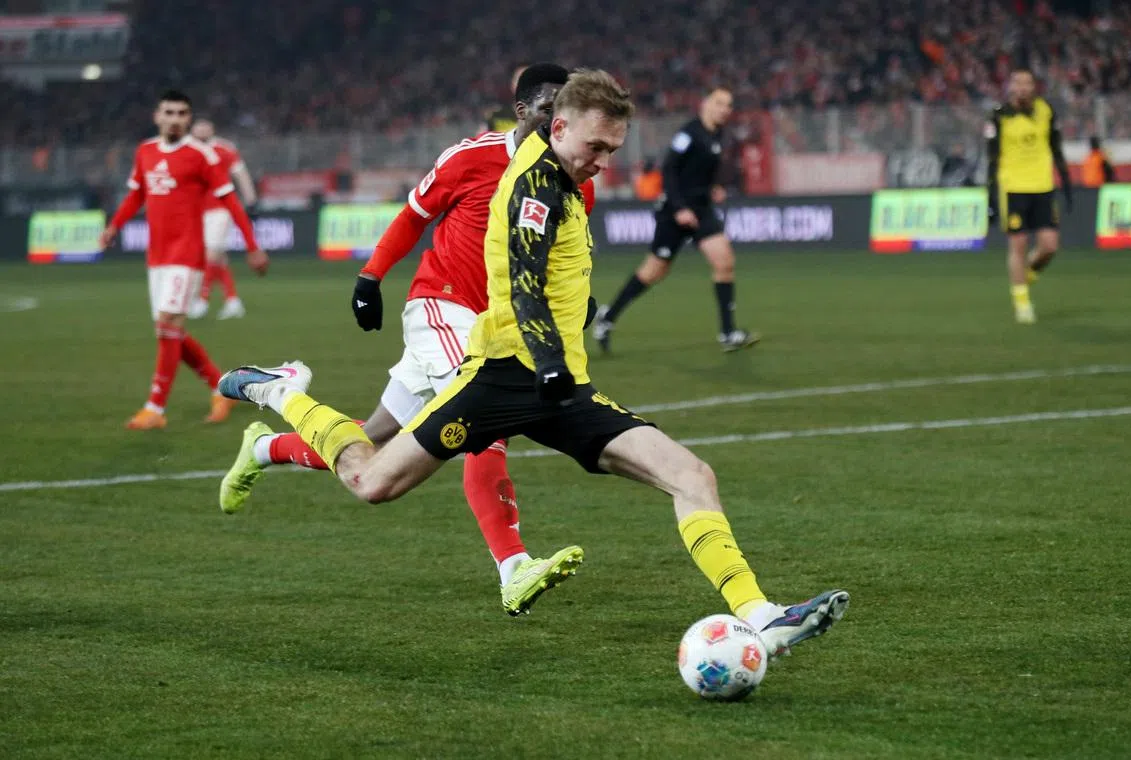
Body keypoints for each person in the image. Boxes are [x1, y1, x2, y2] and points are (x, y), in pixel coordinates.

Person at [216, 69, 848, 657]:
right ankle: (281, 393)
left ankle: (761, 615)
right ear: (558, 127)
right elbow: (521, 281)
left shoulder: (572, 183)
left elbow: (552, 271)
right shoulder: (534, 186)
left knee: (691, 474)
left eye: (613, 150)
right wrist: (547, 358)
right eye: (596, 147)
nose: (603, 162)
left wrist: (573, 322)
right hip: (500, 378)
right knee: (371, 481)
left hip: (562, 387)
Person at [219, 64, 594, 617]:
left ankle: (265, 445)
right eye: (547, 110)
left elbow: (560, 257)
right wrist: (370, 278)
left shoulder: (576, 180)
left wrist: (580, 302)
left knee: (372, 443)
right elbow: (414, 216)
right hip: (444, 305)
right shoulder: (470, 158)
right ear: (521, 112)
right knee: (486, 424)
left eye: (565, 114)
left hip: (494, 325)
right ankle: (514, 567)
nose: (556, 123)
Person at [99, 89, 267, 430]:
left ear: (189, 119)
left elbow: (230, 201)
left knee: (167, 325)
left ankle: (155, 408)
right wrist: (114, 226)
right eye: (169, 112)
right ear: (157, 116)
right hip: (157, 256)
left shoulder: (202, 155)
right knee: (169, 331)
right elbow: (136, 195)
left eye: (181, 113)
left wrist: (252, 245)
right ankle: (221, 388)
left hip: (187, 254)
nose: (175, 119)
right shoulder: (145, 151)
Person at [592, 86, 758, 354]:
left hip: (701, 210)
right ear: (705, 104)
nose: (725, 109)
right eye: (719, 103)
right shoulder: (688, 134)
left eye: (728, 105)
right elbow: (669, 170)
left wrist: (712, 188)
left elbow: (698, 173)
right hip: (675, 211)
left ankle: (728, 333)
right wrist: (680, 208)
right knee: (654, 271)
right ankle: (608, 316)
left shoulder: (717, 135)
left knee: (724, 261)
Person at [985, 68, 1072, 325]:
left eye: (1027, 83)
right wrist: (990, 195)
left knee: (1049, 246)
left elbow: (1056, 148)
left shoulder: (1046, 111)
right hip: (1013, 187)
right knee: (1019, 245)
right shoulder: (999, 116)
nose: (1022, 87)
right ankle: (1022, 303)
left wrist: (1066, 182)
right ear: (1010, 87)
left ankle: (1026, 276)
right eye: (1017, 83)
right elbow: (992, 158)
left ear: (1034, 87)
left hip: (1043, 186)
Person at [187, 119, 259, 320]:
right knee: (218, 258)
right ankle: (233, 301)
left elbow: (241, 174)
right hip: (196, 211)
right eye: (199, 127)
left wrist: (251, 201)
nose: (202, 130)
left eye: (206, 127)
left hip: (220, 209)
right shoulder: (187, 149)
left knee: (211, 254)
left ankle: (202, 300)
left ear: (212, 129)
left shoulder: (224, 148)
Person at [485, 65, 528, 133]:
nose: (524, 84)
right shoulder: (496, 118)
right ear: (512, 84)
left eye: (529, 79)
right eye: (520, 80)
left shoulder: (544, 119)